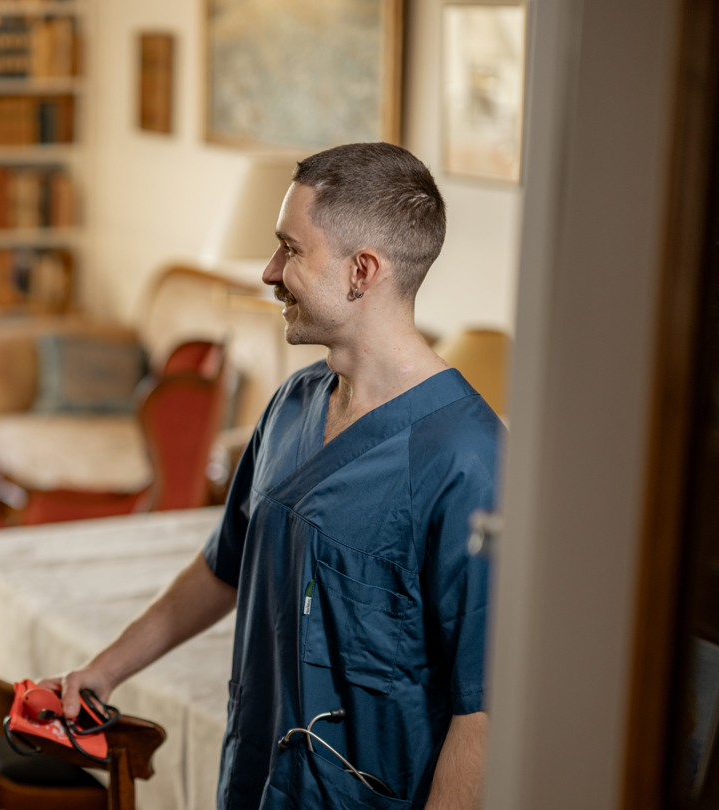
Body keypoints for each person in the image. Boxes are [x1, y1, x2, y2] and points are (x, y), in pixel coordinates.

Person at [42, 143, 501, 809]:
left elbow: (482, 710)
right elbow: (224, 566)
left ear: (362, 271)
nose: (269, 271)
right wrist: (105, 669)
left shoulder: (470, 460)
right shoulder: (292, 405)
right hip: (257, 785)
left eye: (290, 248)